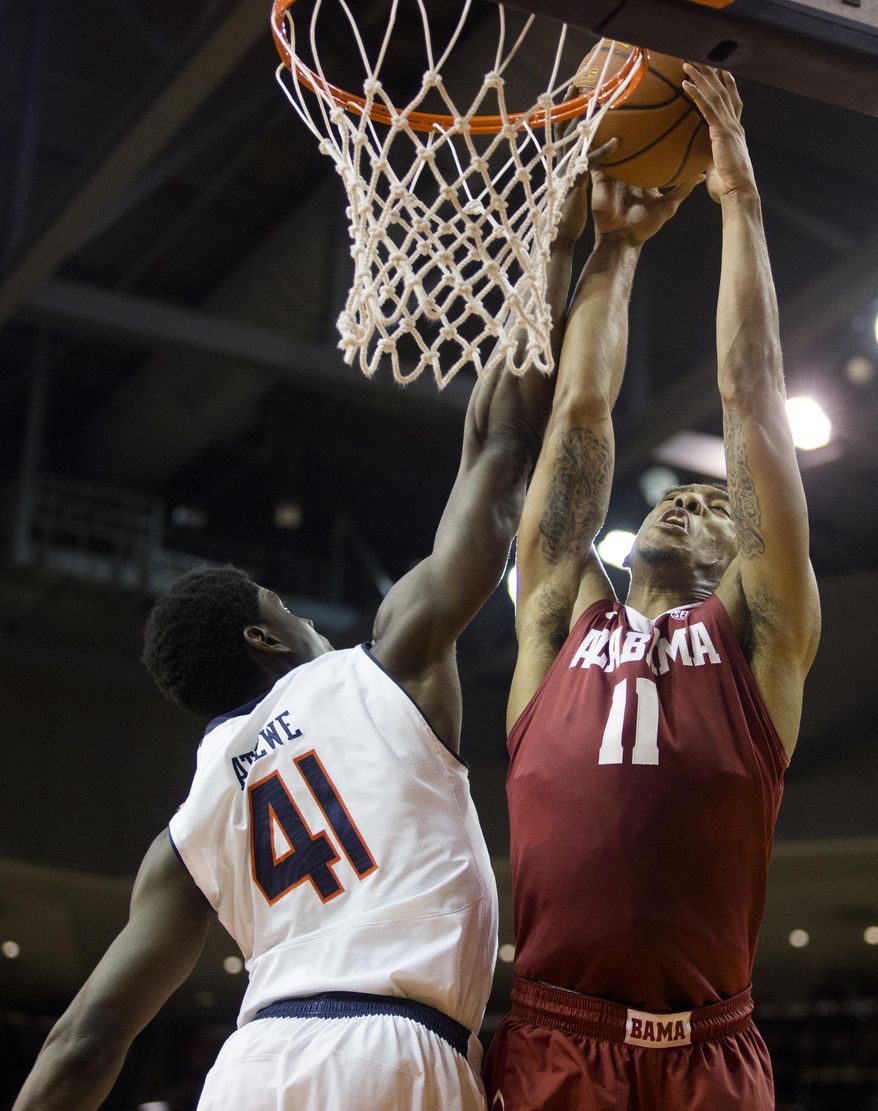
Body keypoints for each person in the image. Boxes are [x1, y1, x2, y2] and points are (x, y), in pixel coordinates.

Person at [12, 133, 679, 1110]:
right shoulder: (385, 663)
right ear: (262, 637)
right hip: (395, 1052)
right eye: (285, 609)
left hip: (250, 1069)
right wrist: (557, 229)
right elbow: (498, 446)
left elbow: (85, 1039)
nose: (306, 622)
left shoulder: (188, 829)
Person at [483, 64, 822, 1111]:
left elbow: (750, 397)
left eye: (713, 502)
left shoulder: (758, 638)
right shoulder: (556, 616)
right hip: (553, 1035)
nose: (683, 498)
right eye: (676, 495)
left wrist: (736, 199)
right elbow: (577, 414)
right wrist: (613, 246)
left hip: (706, 1052)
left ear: (746, 557)